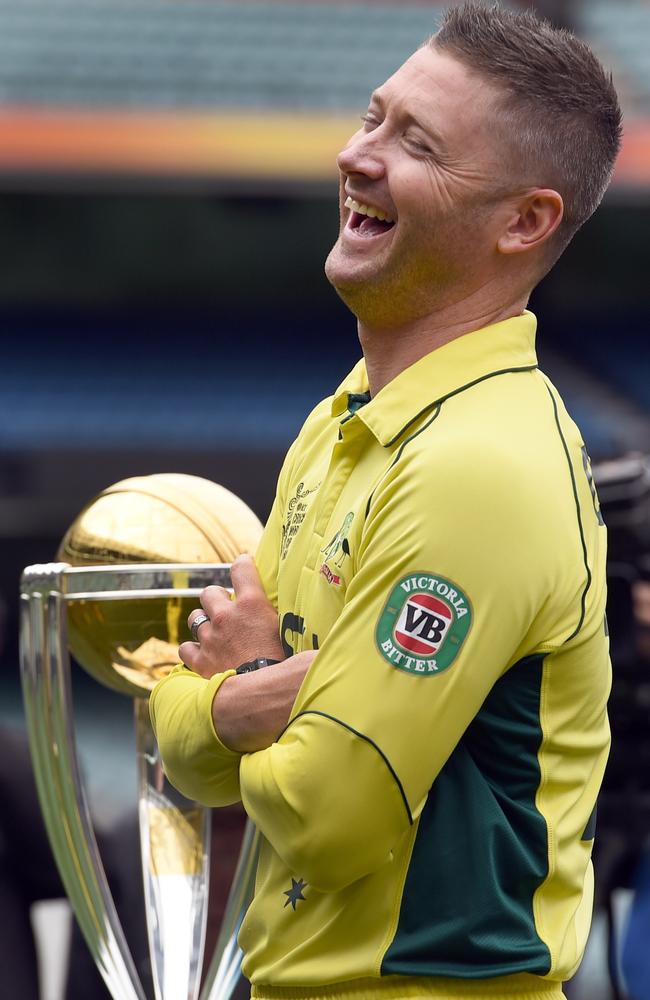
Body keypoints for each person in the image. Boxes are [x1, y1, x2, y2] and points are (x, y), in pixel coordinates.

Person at [150, 4, 622, 999]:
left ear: (523, 220)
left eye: (416, 144)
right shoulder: (339, 423)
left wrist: (233, 691)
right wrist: (258, 695)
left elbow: (326, 815)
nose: (355, 156)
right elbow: (176, 751)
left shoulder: (480, 465)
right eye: (372, 118)